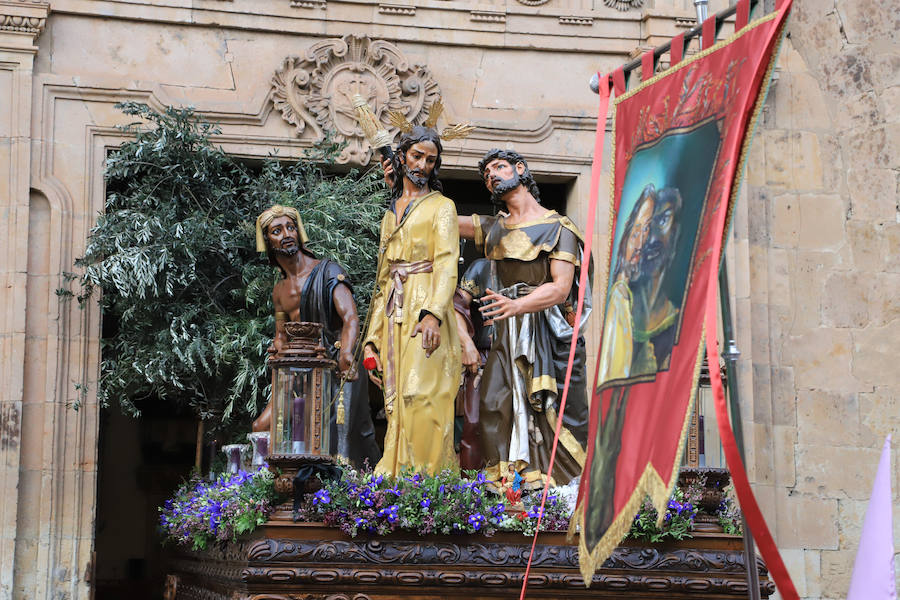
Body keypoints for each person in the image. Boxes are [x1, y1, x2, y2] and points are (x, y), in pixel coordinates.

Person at [457, 148, 592, 489]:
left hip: (549, 331)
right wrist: (410, 184)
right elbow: (440, 220)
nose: (492, 175)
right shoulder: (494, 229)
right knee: (493, 402)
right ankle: (508, 485)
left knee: (553, 410)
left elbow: (561, 289)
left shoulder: (559, 227)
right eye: (486, 173)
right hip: (507, 334)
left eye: (499, 167)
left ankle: (554, 488)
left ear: (520, 169)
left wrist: (518, 305)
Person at [252, 204, 381, 469]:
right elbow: (281, 334)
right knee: (262, 425)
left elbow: (350, 318)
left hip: (336, 361)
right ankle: (269, 484)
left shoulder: (328, 271)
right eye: (277, 230)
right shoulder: (279, 291)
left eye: (290, 227)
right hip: (301, 368)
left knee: (341, 437)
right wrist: (277, 347)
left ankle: (358, 493)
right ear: (268, 241)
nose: (287, 233)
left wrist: (346, 353)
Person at [364, 125, 460, 477]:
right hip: (394, 309)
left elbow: (447, 262)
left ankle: (430, 484)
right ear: (401, 156)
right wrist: (372, 336)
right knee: (397, 400)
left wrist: (433, 314)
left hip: (425, 306)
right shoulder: (391, 212)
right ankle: (398, 478)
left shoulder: (442, 207)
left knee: (421, 395)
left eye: (430, 160)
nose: (422, 165)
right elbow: (382, 277)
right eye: (417, 156)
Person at [597, 184, 656, 385]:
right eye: (636, 231)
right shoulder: (619, 298)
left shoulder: (634, 294)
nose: (640, 243)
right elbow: (616, 377)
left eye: (647, 228)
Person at [630, 186, 683, 375]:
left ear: (675, 234)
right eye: (644, 227)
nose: (651, 239)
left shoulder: (681, 322)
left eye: (662, 221)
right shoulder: (620, 312)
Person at [452, 257, 498, 470]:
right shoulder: (482, 267)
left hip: (526, 350)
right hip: (487, 352)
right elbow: (456, 304)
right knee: (474, 421)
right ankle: (472, 486)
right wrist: (467, 344)